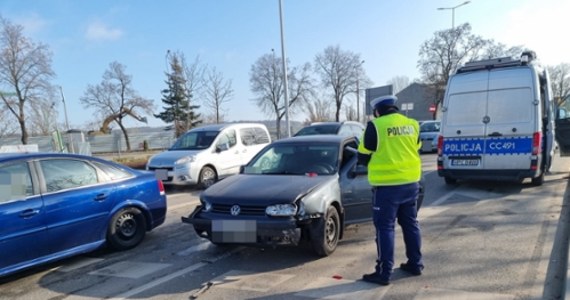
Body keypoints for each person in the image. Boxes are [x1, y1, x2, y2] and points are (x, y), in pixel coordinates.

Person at [357, 95, 423, 286]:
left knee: (385, 228)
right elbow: (416, 147)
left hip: (387, 188)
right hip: (411, 183)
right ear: (394, 107)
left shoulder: (375, 126)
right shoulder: (412, 124)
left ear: (377, 111)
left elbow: (363, 156)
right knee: (411, 224)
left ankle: (384, 272)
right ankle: (415, 264)